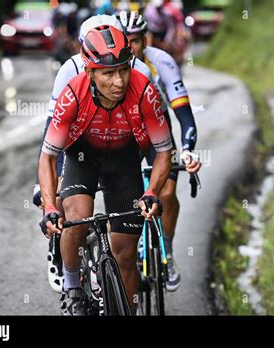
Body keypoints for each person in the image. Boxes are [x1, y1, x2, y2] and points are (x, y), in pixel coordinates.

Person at [38, 24, 173, 315]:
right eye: (108, 73)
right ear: (89, 72)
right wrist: (50, 206)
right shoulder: (72, 95)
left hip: (124, 160)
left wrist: (151, 192)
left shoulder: (144, 91)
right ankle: (73, 286)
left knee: (125, 254)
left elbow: (163, 151)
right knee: (77, 218)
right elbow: (48, 156)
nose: (119, 81)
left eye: (123, 70)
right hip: (82, 156)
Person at [117, 10, 201, 291]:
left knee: (165, 192)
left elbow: (183, 114)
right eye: (124, 41)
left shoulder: (161, 62)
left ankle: (167, 248)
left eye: (136, 41)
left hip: (157, 131)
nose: (130, 48)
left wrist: (188, 149)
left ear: (146, 39)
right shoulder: (110, 69)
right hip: (124, 134)